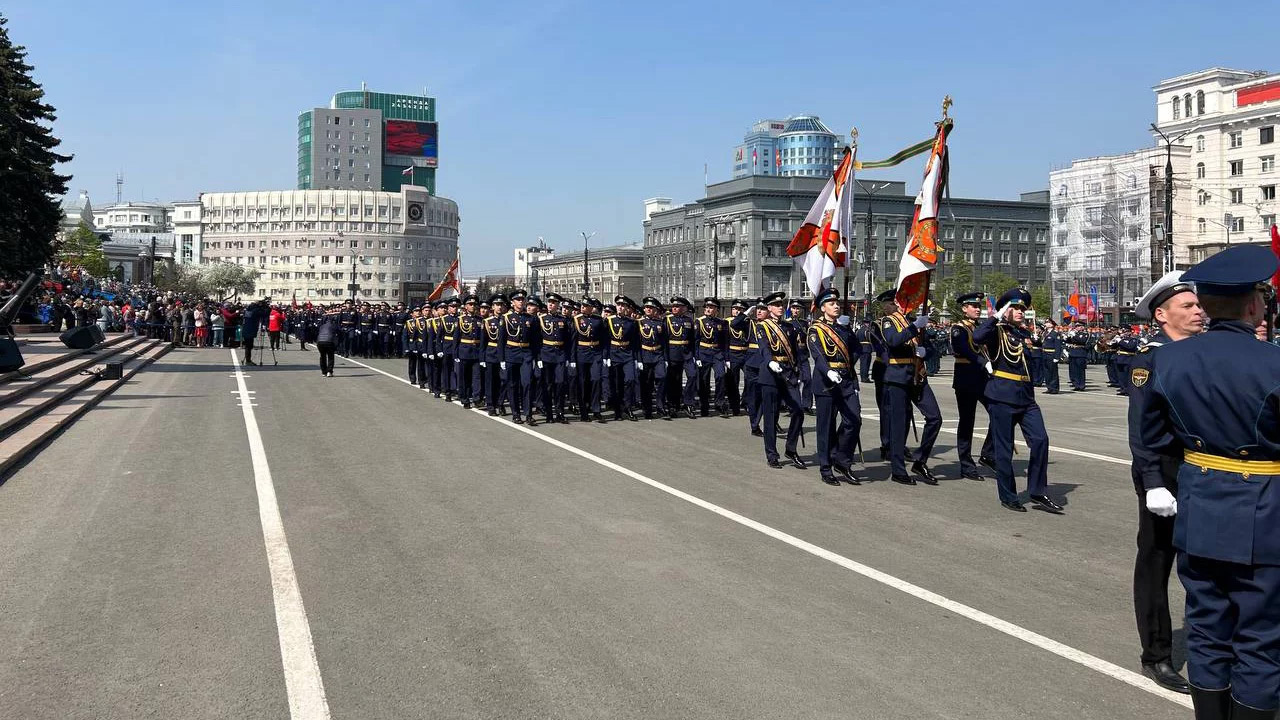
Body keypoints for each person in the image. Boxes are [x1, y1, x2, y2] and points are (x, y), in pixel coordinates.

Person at [1140, 245, 1280, 719]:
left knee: (1206, 628)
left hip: (1198, 506)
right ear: (1253, 305)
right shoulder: (1272, 362)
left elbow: (1152, 437)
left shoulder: (1168, 361)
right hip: (1264, 510)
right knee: (1259, 637)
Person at [1126, 271, 1203, 695]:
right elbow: (1142, 429)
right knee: (1156, 562)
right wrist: (1154, 481)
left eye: (1198, 305)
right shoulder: (1149, 360)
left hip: (1205, 470)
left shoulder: (1204, 353)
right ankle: (1156, 655)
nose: (1198, 311)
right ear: (1162, 314)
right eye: (1188, 306)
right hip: (1166, 473)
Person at [972, 288, 1062, 514]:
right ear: (1005, 310)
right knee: (1004, 450)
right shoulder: (996, 332)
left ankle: (1037, 490)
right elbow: (977, 337)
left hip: (1026, 397)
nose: (1021, 312)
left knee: (1040, 440)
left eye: (1023, 308)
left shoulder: (1024, 334)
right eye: (1016, 308)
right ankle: (1008, 495)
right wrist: (995, 316)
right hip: (1002, 396)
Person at [877, 291, 943, 485]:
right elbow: (893, 341)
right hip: (897, 376)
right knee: (899, 425)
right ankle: (898, 470)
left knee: (935, 418)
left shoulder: (914, 322)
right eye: (894, 302)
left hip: (918, 375)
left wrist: (926, 352)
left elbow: (930, 348)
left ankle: (920, 460)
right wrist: (915, 327)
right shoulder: (887, 322)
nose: (897, 305)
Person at [807, 287, 863, 485]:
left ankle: (841, 459)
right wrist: (829, 371)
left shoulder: (843, 328)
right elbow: (817, 354)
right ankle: (825, 467)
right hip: (825, 383)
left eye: (838, 303)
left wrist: (848, 368)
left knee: (854, 420)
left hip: (846, 381)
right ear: (823, 308)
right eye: (831, 303)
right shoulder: (815, 329)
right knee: (826, 426)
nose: (836, 306)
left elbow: (858, 349)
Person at [755, 292, 805, 469]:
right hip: (770, 375)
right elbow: (764, 348)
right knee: (771, 416)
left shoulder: (790, 327)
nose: (780, 307)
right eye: (776, 305)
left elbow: (796, 352)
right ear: (769, 308)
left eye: (782, 304)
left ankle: (790, 449)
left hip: (789, 373)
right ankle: (772, 454)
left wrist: (798, 371)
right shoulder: (762, 327)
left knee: (798, 411)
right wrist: (770, 362)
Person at [951, 292, 996, 481]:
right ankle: (966, 465)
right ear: (964, 309)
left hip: (983, 378)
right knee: (967, 422)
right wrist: (982, 361)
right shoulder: (958, 328)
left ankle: (988, 454)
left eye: (978, 306)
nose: (977, 309)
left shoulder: (980, 328)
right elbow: (964, 349)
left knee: (1000, 413)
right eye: (973, 306)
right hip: (966, 377)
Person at [695, 297, 728, 418]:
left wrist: (726, 358)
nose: (708, 309)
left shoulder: (721, 322)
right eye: (707, 307)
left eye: (711, 308)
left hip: (717, 352)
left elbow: (724, 341)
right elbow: (696, 340)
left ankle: (719, 402)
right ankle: (704, 406)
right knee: (704, 380)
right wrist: (697, 356)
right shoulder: (699, 321)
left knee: (721, 375)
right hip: (704, 352)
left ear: (716, 310)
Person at [1041, 319, 1063, 394]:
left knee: (1053, 372)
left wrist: (1057, 357)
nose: (1046, 324)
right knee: (1046, 372)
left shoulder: (1055, 334)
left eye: (1047, 323)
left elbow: (1058, 346)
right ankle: (1049, 387)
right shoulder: (1044, 333)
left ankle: (1054, 388)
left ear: (1052, 325)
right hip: (1045, 354)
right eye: (1046, 322)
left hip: (1051, 354)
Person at [315, 308, 339, 377]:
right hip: (329, 341)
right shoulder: (334, 325)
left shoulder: (322, 326)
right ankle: (329, 371)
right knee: (330, 356)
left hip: (320, 342)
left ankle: (323, 372)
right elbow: (338, 333)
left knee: (322, 357)